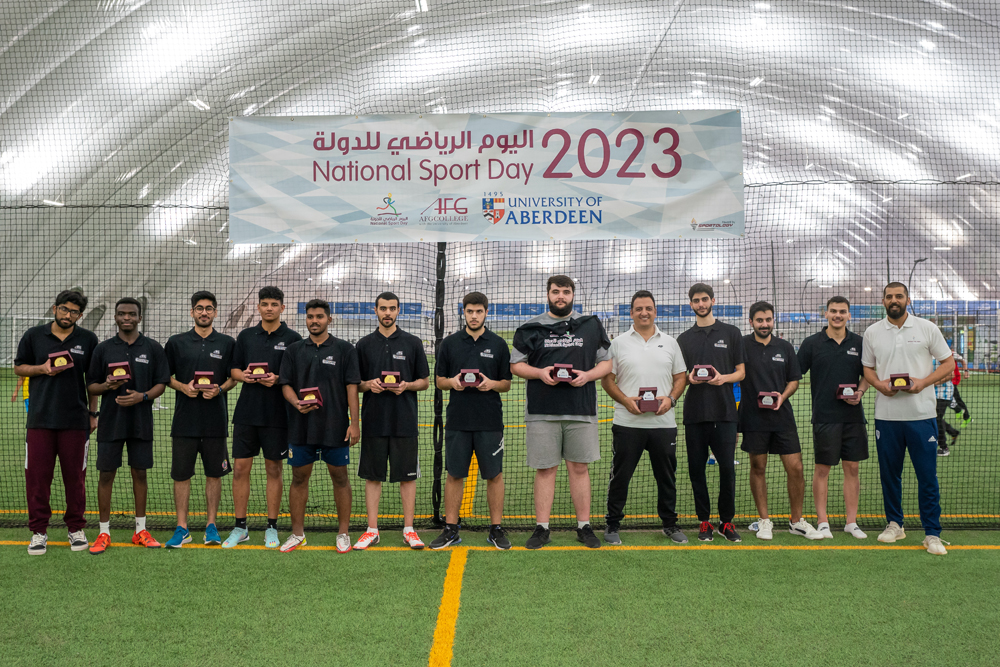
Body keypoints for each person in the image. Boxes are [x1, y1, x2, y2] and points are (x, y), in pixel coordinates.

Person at [511, 275, 611, 549]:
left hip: (581, 410)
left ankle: (584, 526)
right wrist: (540, 373)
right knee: (545, 470)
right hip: (542, 411)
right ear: (548, 295)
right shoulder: (531, 327)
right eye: (556, 292)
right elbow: (516, 365)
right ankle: (542, 528)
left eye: (566, 292)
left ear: (572, 295)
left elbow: (607, 364)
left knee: (579, 469)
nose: (561, 296)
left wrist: (588, 376)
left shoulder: (590, 325)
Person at [862, 282, 954, 555]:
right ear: (883, 301)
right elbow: (867, 368)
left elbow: (949, 364)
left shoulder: (927, 328)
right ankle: (895, 525)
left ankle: (932, 534)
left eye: (899, 296)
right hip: (886, 417)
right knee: (890, 475)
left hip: (922, 415)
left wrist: (922, 383)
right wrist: (879, 386)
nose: (894, 300)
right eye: (889, 296)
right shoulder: (872, 332)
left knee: (927, 476)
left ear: (908, 299)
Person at [14, 290, 99, 555]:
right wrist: (42, 369)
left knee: (76, 478)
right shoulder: (33, 335)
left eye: (74, 312)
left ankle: (75, 528)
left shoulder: (88, 339)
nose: (68, 315)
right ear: (54, 308)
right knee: (37, 478)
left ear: (80, 315)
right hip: (39, 419)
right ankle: (39, 531)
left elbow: (93, 382)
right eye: (64, 309)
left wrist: (93, 413)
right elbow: (19, 367)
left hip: (75, 420)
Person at [601, 290, 688, 545]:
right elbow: (608, 379)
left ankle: (670, 525)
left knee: (667, 476)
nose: (644, 312)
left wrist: (670, 400)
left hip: (663, 423)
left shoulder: (671, 342)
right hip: (627, 424)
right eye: (639, 308)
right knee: (620, 476)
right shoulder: (618, 343)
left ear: (655, 311)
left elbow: (680, 377)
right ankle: (612, 524)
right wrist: (626, 401)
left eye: (648, 308)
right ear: (631, 312)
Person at [86, 298, 169, 553]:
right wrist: (107, 386)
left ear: (139, 318)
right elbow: (91, 386)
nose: (126, 318)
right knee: (106, 474)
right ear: (115, 317)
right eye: (121, 314)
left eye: (131, 314)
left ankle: (140, 530)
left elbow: (162, 383)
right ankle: (103, 532)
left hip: (141, 421)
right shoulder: (103, 349)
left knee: (140, 473)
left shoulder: (153, 348)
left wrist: (142, 397)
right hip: (111, 421)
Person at [430, 292, 512, 550]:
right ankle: (451, 528)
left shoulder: (498, 344)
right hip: (458, 421)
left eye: (479, 311)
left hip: (489, 422)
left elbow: (507, 384)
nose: (474, 316)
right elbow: (439, 381)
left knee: (494, 475)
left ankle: (496, 529)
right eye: (469, 311)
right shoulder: (450, 344)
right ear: (463, 313)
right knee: (454, 475)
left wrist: (492, 384)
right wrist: (452, 382)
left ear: (486, 312)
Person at [277, 300, 361, 553]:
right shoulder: (293, 350)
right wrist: (296, 402)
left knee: (340, 477)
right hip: (301, 427)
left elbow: (352, 388)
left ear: (329, 319)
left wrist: (354, 423)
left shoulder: (345, 349)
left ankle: (343, 533)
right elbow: (285, 384)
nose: (314, 321)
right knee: (299, 477)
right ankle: (297, 534)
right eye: (310, 316)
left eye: (320, 317)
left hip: (335, 426)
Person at [224, 286, 302, 549]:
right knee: (240, 470)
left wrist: (278, 379)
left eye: (274, 304)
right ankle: (240, 527)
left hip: (278, 415)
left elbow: (296, 376)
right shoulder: (245, 336)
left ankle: (271, 527)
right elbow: (233, 369)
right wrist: (243, 376)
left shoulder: (293, 338)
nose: (269, 308)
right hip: (247, 412)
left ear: (283, 307)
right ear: (258, 307)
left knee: (274, 470)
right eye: (265, 304)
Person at [354, 292, 430, 550]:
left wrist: (407, 385)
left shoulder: (412, 342)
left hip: (404, 421)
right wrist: (369, 385)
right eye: (383, 308)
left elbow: (425, 382)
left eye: (392, 308)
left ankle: (409, 529)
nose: (387, 313)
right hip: (374, 420)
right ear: (374, 310)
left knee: (407, 477)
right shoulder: (363, 345)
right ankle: (371, 529)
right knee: (372, 477)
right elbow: (357, 384)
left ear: (399, 311)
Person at [739, 301, 820, 540]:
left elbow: (794, 379)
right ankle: (764, 521)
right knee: (758, 467)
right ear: (751, 321)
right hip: (753, 418)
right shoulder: (742, 346)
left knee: (795, 467)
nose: (764, 324)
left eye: (768, 320)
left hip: (782, 416)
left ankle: (796, 521)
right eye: (759, 320)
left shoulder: (784, 347)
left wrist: (781, 397)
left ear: (773, 321)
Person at [164, 291, 237, 548]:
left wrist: (219, 389)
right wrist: (183, 387)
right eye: (199, 308)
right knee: (181, 475)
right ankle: (181, 528)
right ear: (192, 312)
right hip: (184, 421)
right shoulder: (176, 342)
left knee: (214, 475)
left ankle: (211, 526)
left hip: (215, 421)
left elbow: (233, 376)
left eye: (208, 308)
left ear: (215, 312)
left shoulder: (227, 343)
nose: (204, 312)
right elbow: (164, 376)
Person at [675, 283, 745, 542]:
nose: (701, 304)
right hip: (694, 414)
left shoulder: (731, 332)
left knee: (727, 469)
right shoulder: (683, 339)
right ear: (691, 304)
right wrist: (690, 380)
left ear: (713, 301)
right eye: (696, 300)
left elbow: (741, 372)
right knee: (696, 470)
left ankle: (726, 522)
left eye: (705, 299)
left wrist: (722, 379)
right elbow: (680, 376)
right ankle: (703, 521)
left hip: (725, 413)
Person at [797, 296, 870, 539]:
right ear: (825, 314)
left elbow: (869, 373)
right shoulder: (811, 344)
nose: (837, 315)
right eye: (833, 311)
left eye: (842, 311)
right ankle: (823, 522)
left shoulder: (860, 343)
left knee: (852, 467)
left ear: (849, 315)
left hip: (853, 417)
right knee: (822, 469)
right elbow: (794, 373)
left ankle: (851, 522)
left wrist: (859, 392)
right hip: (824, 417)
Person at [933, 359, 960, 457]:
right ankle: (953, 432)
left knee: (937, 419)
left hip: (943, 394)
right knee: (934, 418)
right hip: (933, 394)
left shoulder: (940, 355)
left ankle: (944, 448)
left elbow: (951, 375)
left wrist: (932, 383)